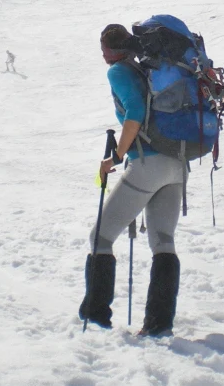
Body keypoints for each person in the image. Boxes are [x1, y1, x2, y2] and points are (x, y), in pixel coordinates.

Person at [78, 24, 184, 336]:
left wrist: (117, 156)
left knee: (101, 238)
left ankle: (97, 317)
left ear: (111, 51)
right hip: (177, 164)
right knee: (163, 241)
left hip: (147, 163)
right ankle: (158, 323)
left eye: (103, 50)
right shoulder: (146, 71)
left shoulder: (119, 72)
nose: (102, 55)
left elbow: (135, 112)